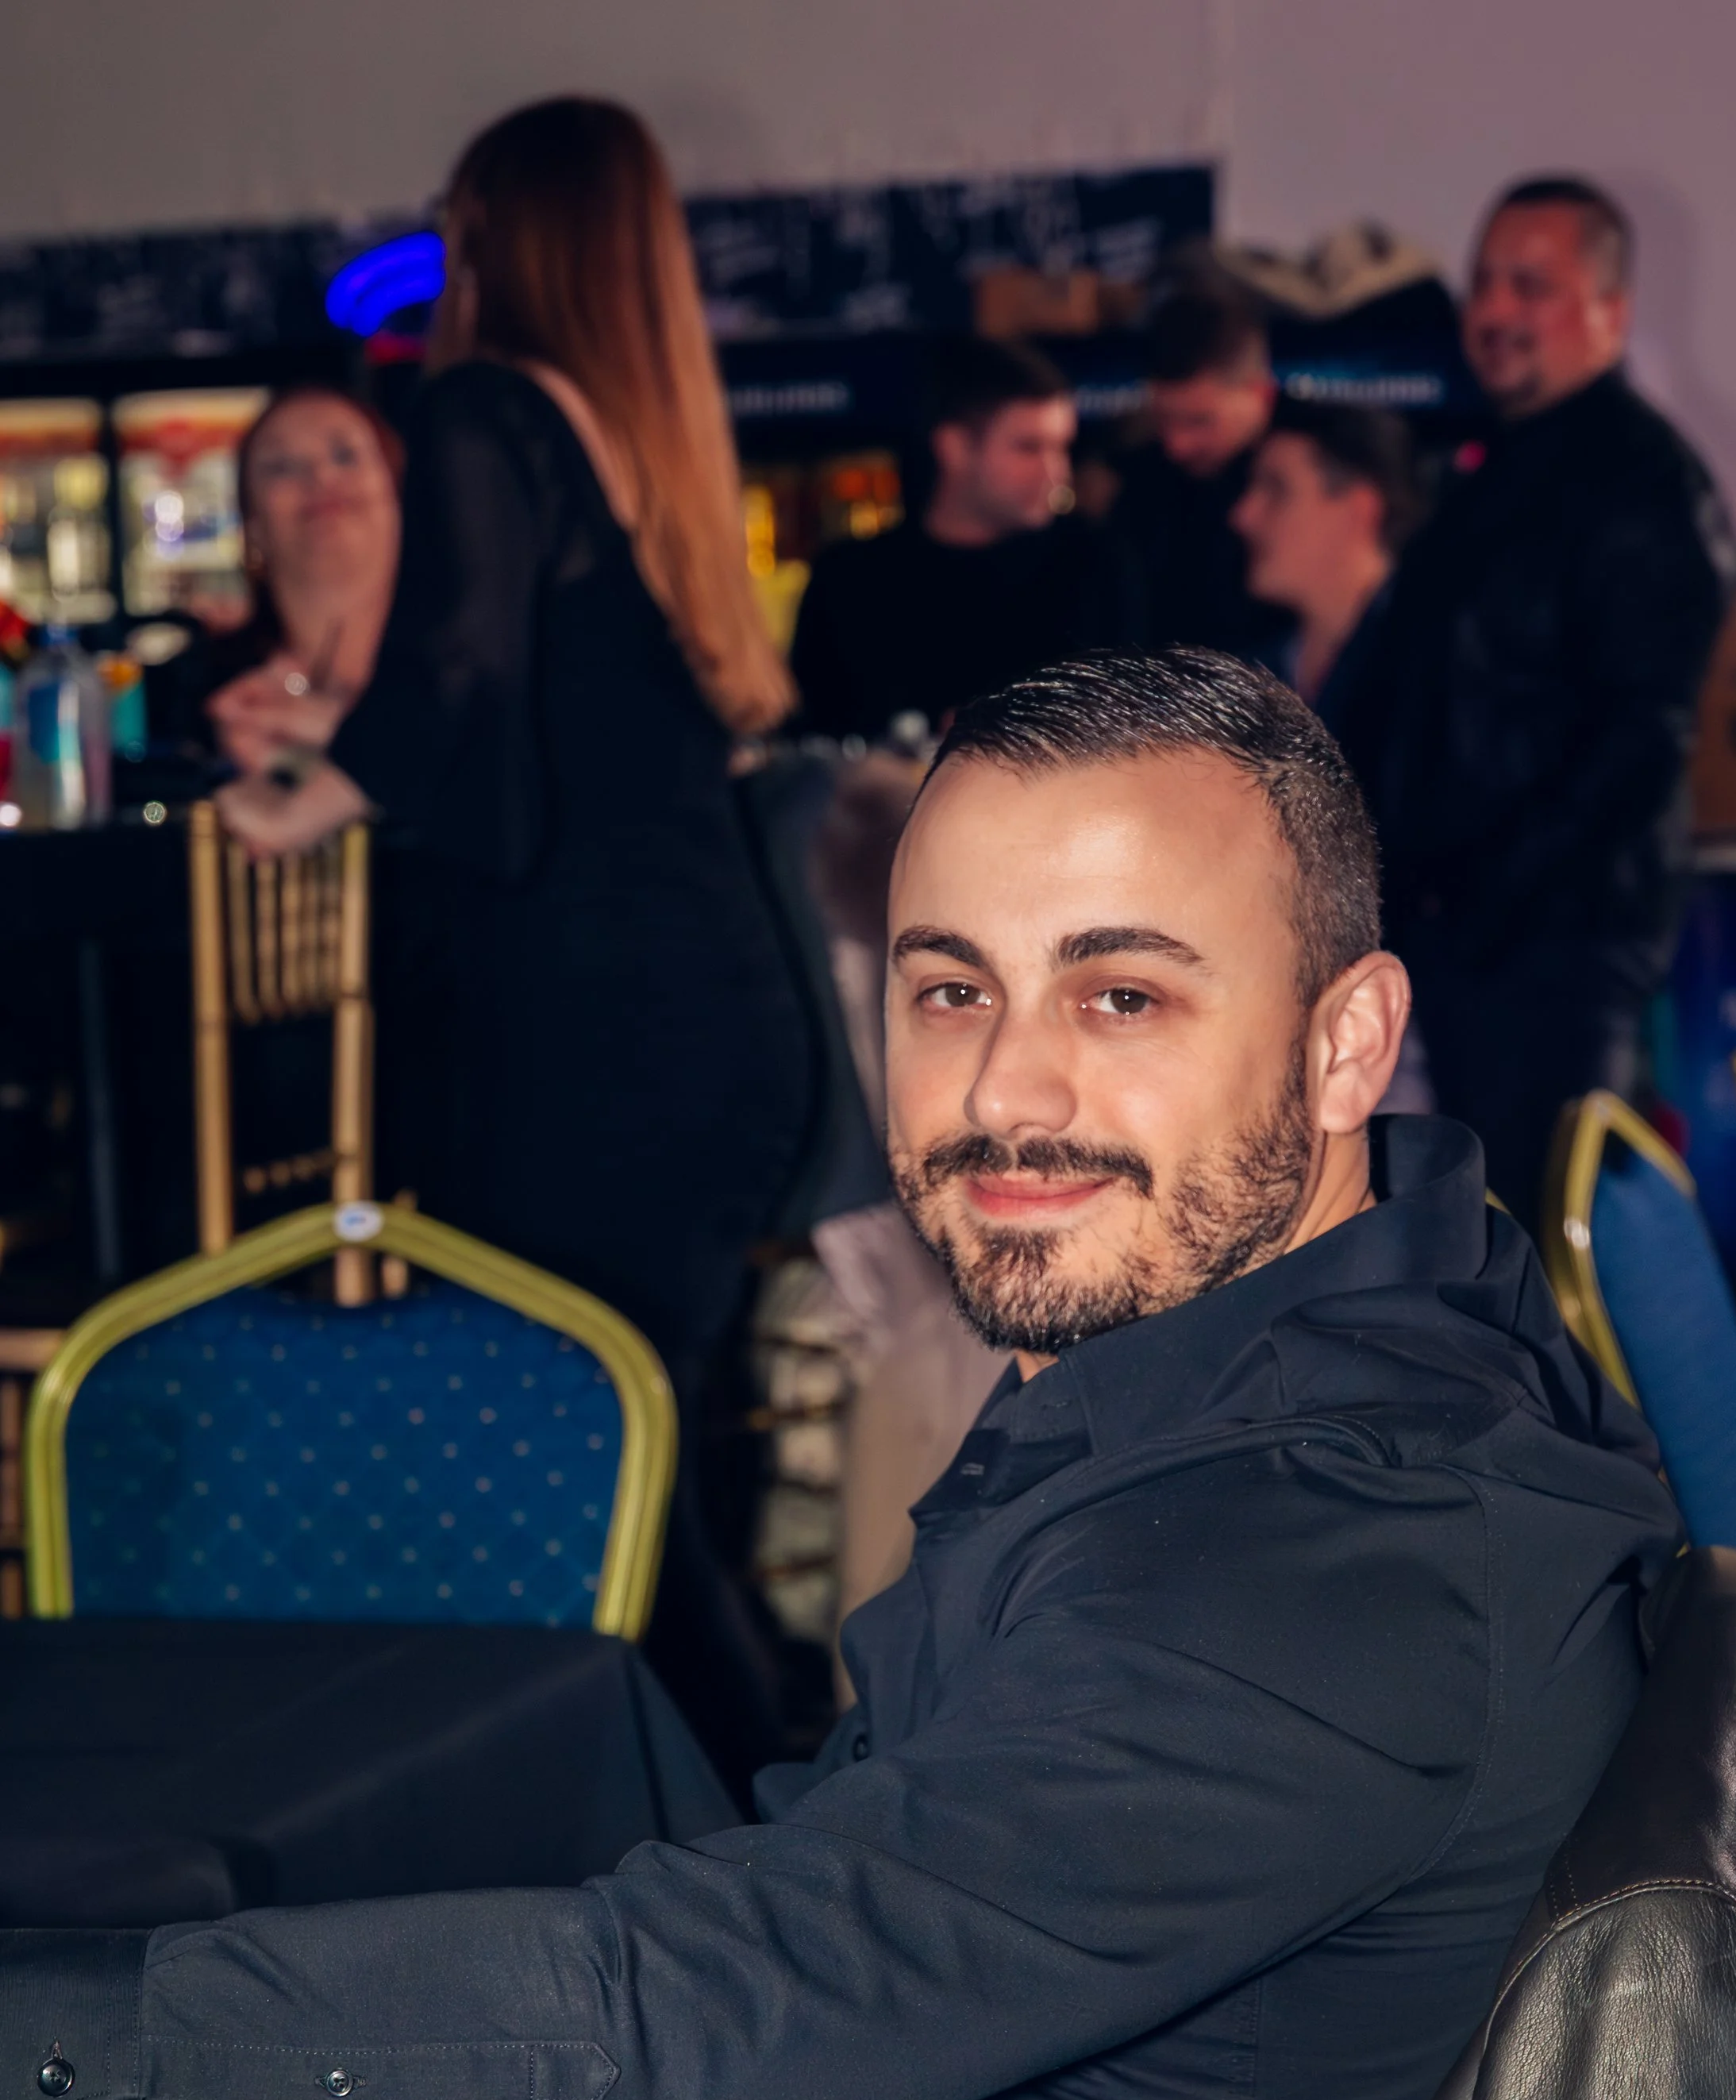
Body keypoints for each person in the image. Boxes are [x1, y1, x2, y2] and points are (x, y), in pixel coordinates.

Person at [0, 651, 1678, 2100]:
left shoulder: (1336, 1570)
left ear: (1338, 1042)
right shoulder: (1239, 1371)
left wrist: (78, 2046)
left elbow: (722, 1993)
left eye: (1119, 995)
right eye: (944, 986)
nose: (1005, 1086)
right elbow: (809, 1905)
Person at [214, 98, 815, 1784]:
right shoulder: (632, 442)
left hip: (604, 1037)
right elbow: (523, 718)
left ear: (505, 232)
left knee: (594, 1454)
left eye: (463, 218)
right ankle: (738, 1824)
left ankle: (754, 1835)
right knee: (637, 1448)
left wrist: (304, 789)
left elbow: (459, 700)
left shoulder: (482, 408)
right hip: (698, 1018)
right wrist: (351, 730)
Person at [1334, 177, 1735, 1228]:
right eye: (1483, 283)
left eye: (1531, 285)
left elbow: (1641, 736)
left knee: (1553, 1255)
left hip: (1554, 948)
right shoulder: (1491, 471)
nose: (1496, 312)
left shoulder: (1641, 485)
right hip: (1476, 942)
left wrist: (1484, 895)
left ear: (1612, 310)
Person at [789, 333, 1129, 742]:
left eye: (1061, 448)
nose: (1055, 474)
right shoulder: (848, 582)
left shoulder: (1094, 565)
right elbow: (808, 750)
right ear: (954, 447)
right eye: (1028, 448)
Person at [151, 388, 404, 762]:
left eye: (344, 455)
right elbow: (149, 808)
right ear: (251, 523)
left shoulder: (464, 667)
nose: (320, 476)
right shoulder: (195, 687)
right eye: (282, 466)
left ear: (398, 490)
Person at [1229, 399, 1426, 722]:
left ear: (1359, 509)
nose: (1243, 515)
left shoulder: (1432, 670)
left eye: (1277, 489)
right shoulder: (1253, 681)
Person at [1111, 286, 1281, 656]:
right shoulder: (1140, 479)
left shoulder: (1318, 477)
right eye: (1163, 419)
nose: (1177, 445)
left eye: (1199, 421)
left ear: (1261, 394)